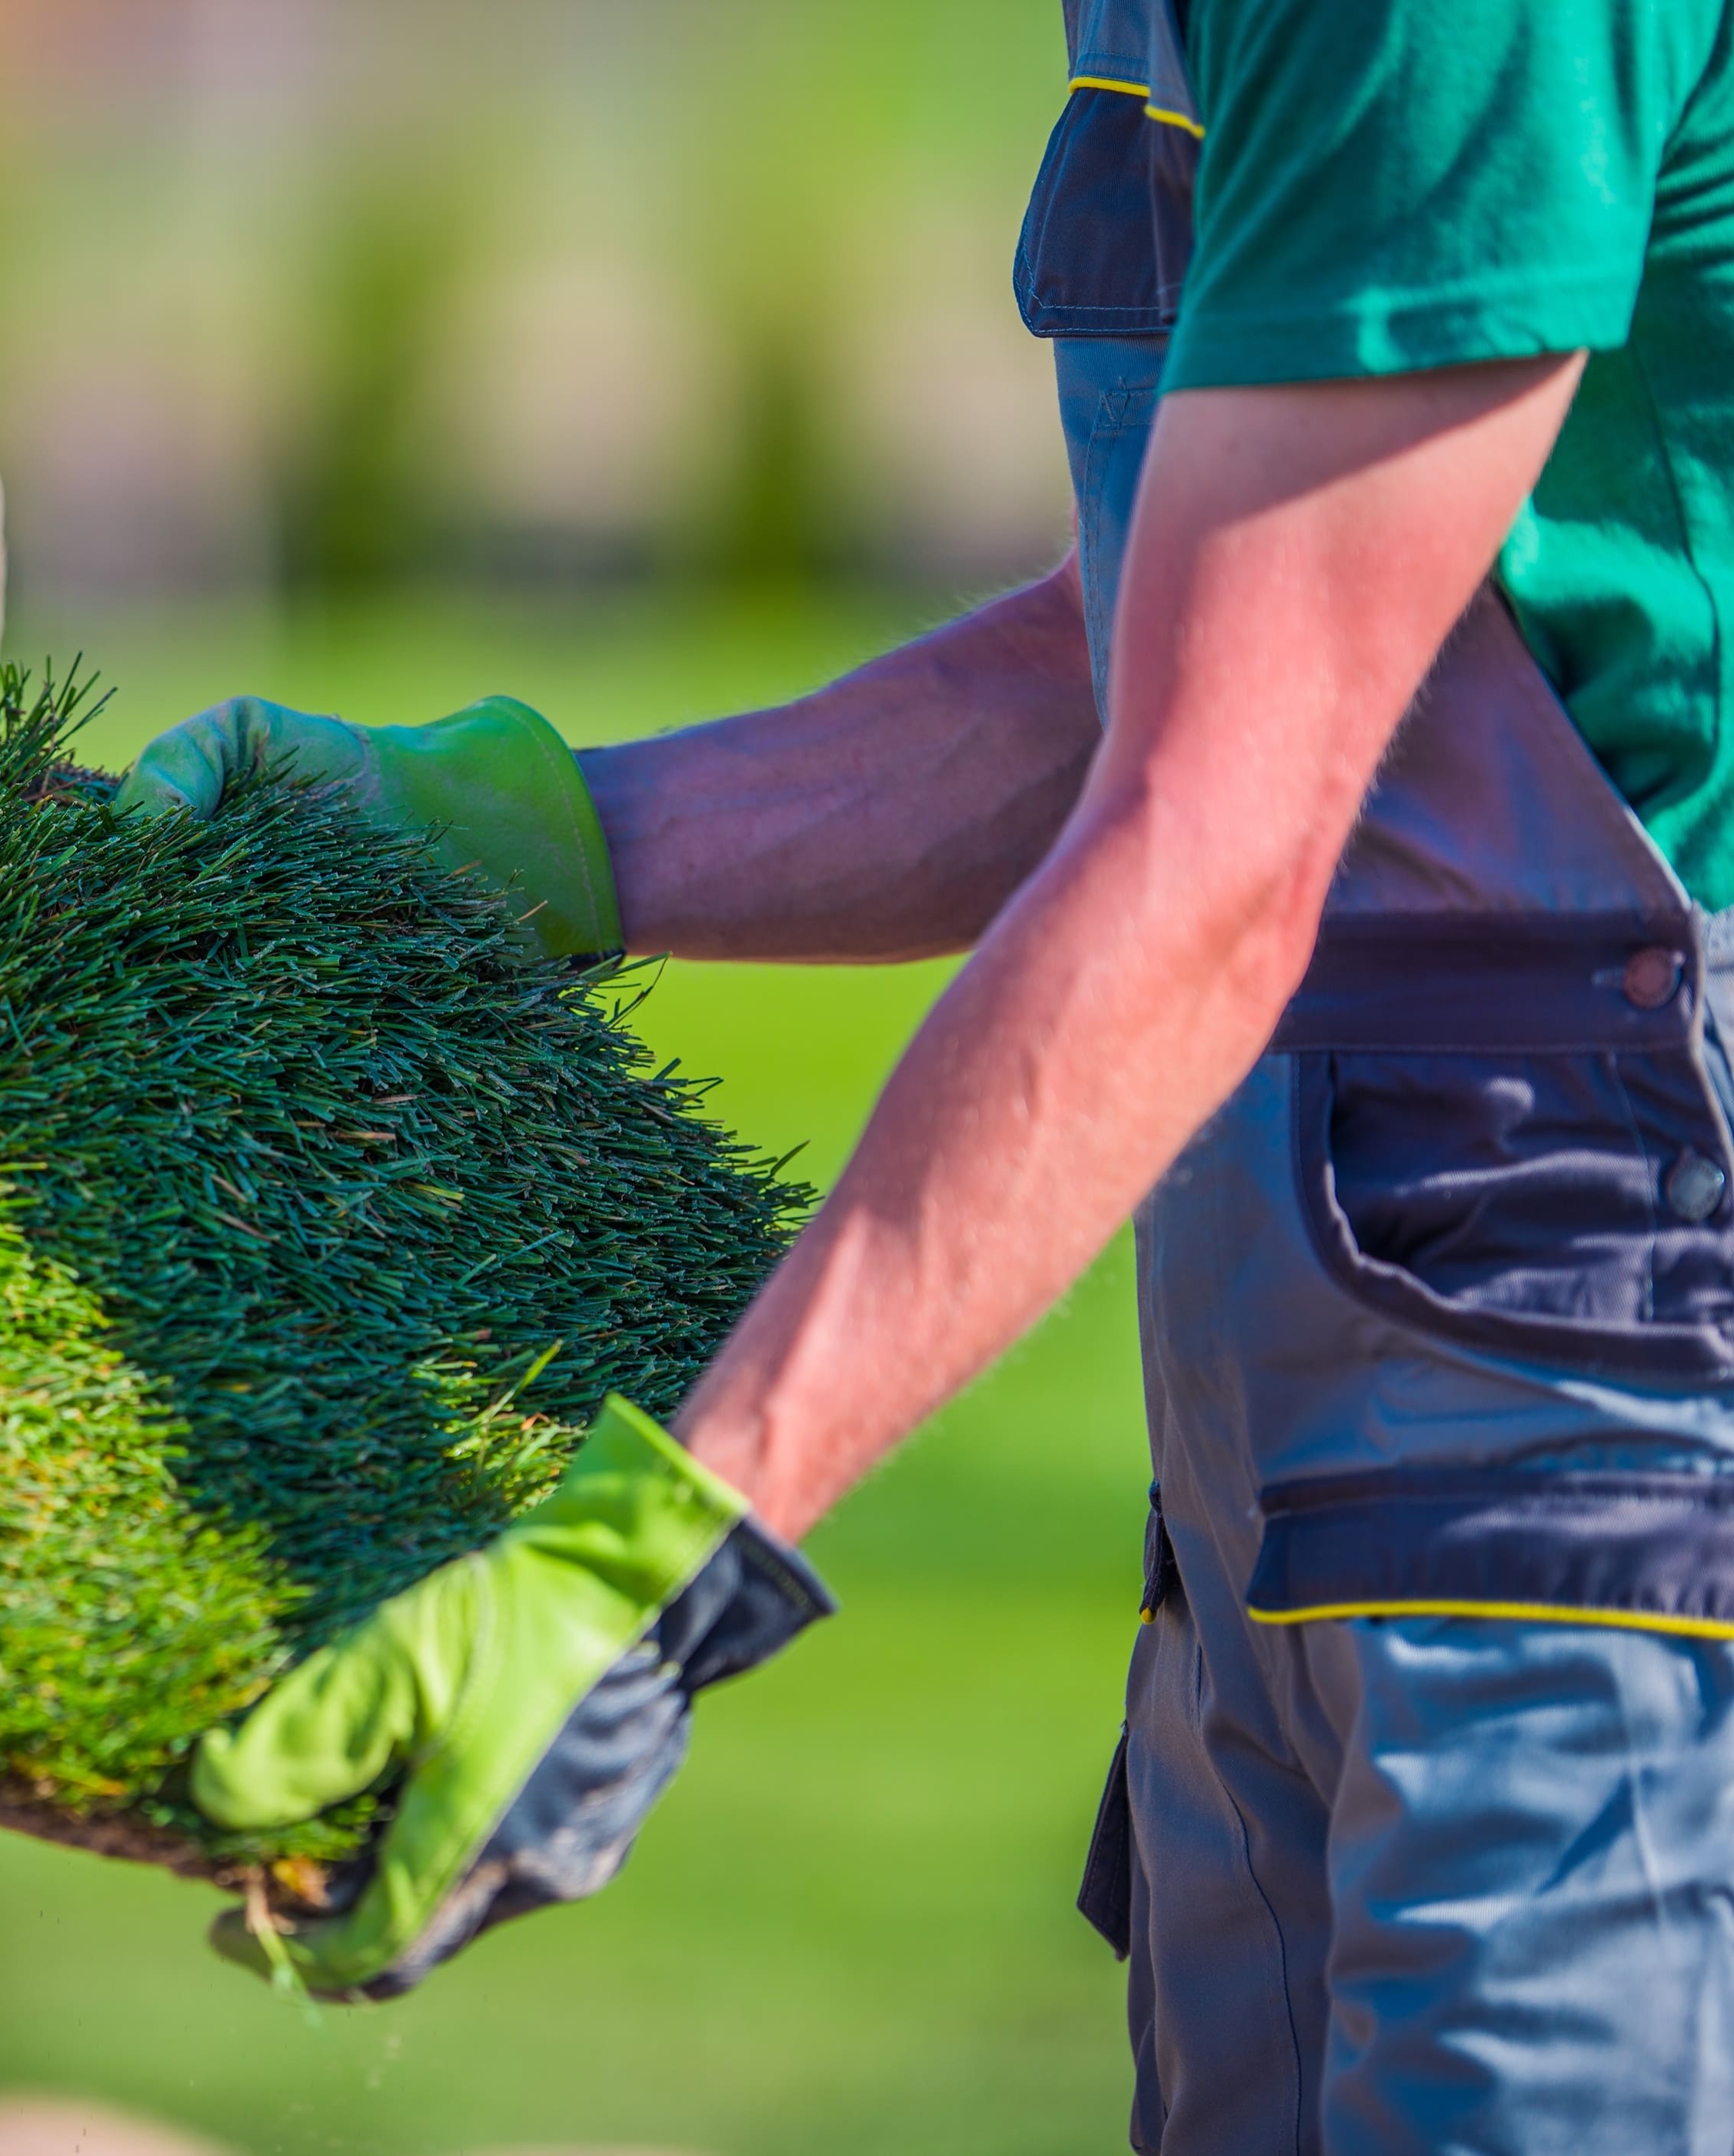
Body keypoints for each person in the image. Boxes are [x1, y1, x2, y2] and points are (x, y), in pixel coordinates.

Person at [128, 2, 1734, 2146]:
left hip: (1607, 1472)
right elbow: (1175, 660)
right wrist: (543, 835)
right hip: (1305, 1443)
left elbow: (1215, 840)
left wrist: (660, 1554)